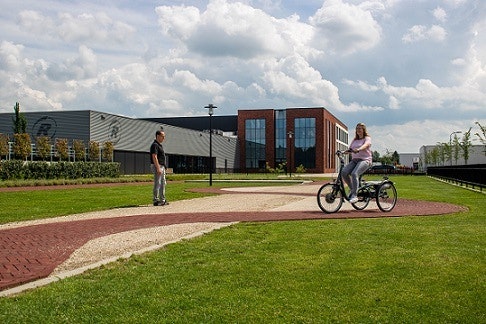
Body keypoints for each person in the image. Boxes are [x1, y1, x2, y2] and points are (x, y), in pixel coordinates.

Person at [341, 122, 372, 203]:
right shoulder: (355, 140)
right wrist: (342, 152)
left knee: (355, 173)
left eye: (359, 128)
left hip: (365, 160)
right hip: (355, 160)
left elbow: (366, 145)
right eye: (357, 128)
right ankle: (352, 189)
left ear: (363, 130)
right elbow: (350, 149)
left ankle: (355, 195)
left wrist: (359, 149)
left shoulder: (367, 138)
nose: (358, 130)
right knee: (344, 172)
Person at [150, 130, 169, 206]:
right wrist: (158, 168)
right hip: (157, 166)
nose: (164, 138)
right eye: (162, 136)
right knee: (158, 183)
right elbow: (154, 156)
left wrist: (164, 166)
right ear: (158, 136)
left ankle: (162, 200)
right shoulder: (155, 145)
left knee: (163, 183)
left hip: (161, 166)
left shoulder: (159, 145)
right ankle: (156, 200)